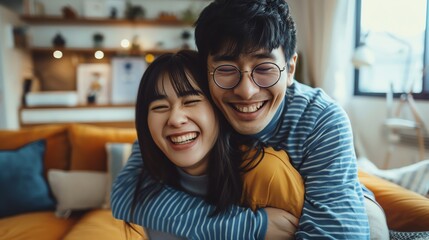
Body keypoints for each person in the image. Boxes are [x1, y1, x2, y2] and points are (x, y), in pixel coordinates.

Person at [112, 0, 389, 239]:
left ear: (290, 68)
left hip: (341, 200)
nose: (246, 91)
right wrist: (249, 227)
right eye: (226, 69)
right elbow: (126, 195)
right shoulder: (196, 112)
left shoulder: (319, 118)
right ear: (205, 72)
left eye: (265, 68)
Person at [123, 49, 305, 239]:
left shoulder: (267, 173)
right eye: (159, 107)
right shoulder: (148, 183)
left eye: (191, 101)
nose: (175, 119)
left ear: (219, 108)